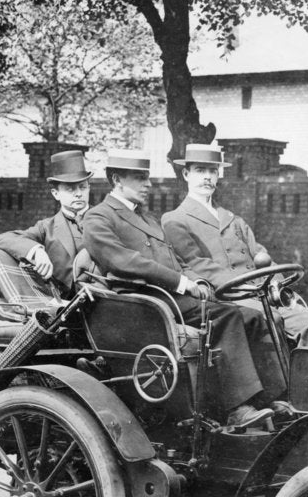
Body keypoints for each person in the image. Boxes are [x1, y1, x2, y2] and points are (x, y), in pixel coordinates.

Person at [81, 148, 285, 427]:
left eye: (147, 177)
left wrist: (196, 280)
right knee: (227, 316)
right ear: (117, 180)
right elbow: (125, 261)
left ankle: (269, 399)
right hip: (140, 301)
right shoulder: (98, 217)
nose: (149, 184)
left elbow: (176, 260)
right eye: (140, 178)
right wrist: (181, 282)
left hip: (168, 296)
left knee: (251, 316)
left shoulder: (148, 218)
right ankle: (238, 408)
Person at [161, 143, 308, 340]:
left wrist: (276, 286)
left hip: (262, 295)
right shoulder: (175, 219)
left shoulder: (233, 219)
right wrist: (246, 289)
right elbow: (197, 264)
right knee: (273, 322)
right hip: (225, 299)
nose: (207, 177)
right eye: (200, 171)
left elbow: (262, 257)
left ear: (219, 175)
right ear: (186, 174)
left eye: (213, 171)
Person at [0, 150, 92, 295]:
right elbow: (3, 239)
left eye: (82, 187)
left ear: (89, 188)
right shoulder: (46, 227)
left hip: (103, 301)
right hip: (65, 306)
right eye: (70, 189)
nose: (78, 193)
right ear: (55, 193)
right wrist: (37, 251)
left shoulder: (106, 219)